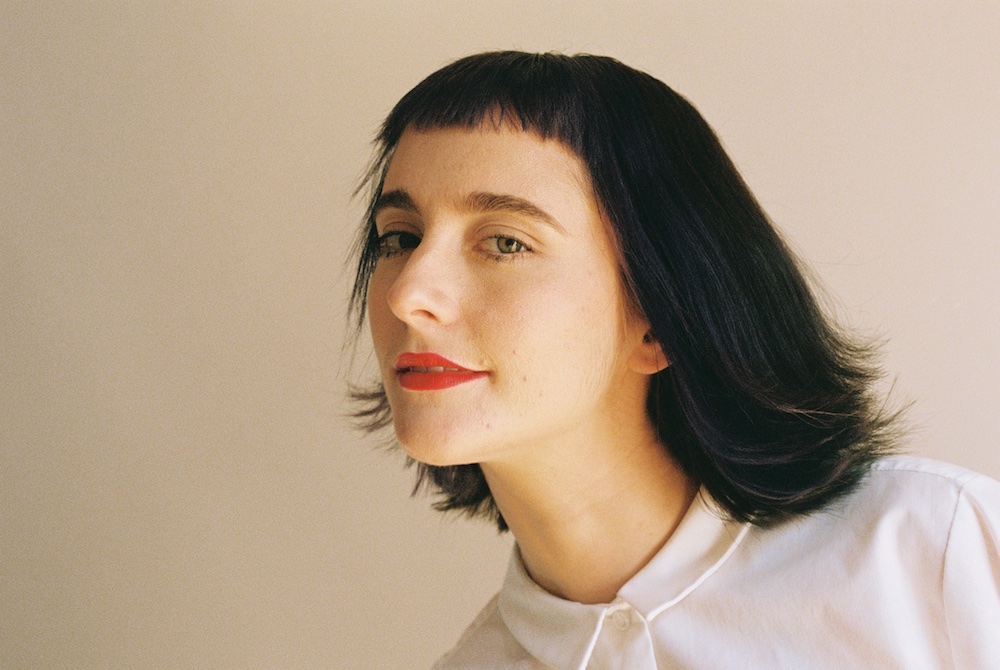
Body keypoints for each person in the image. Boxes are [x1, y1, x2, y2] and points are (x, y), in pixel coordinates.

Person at [349, 51, 1000, 669]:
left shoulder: (935, 555)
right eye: (400, 238)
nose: (408, 294)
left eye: (505, 243)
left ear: (659, 318)